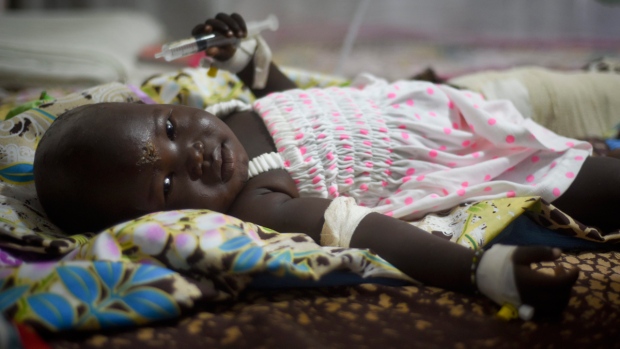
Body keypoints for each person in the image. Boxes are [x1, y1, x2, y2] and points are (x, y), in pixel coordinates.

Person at [35, 13, 620, 320]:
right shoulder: (260, 203)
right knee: (597, 180)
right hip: (461, 163)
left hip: (438, 105)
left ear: (168, 107)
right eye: (166, 184)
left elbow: (290, 103)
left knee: (553, 102)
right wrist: (478, 271)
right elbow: (364, 229)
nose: (191, 153)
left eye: (167, 128)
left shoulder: (225, 112)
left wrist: (246, 61)